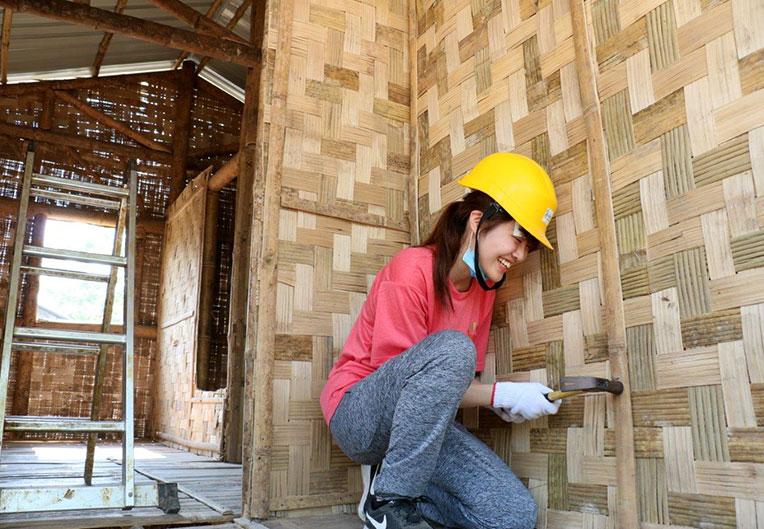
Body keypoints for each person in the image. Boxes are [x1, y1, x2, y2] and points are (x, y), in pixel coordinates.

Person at [319, 153, 562, 529]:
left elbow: (456, 385)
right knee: (454, 347)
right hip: (359, 415)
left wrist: (502, 401)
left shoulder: (484, 291)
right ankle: (389, 503)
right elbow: (404, 379)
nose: (520, 253)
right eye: (518, 236)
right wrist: (502, 394)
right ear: (478, 220)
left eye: (529, 244)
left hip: (423, 432)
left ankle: (392, 486)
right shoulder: (411, 269)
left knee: (513, 515)